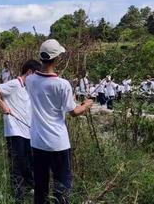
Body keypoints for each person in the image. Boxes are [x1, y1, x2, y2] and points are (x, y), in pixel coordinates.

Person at [26, 39, 93, 204]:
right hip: (58, 143)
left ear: (41, 58)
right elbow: (74, 112)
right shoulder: (63, 85)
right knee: (61, 184)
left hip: (38, 142)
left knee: (41, 185)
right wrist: (86, 104)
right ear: (57, 59)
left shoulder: (30, 80)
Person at [0, 60, 42, 201]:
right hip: (14, 132)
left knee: (29, 162)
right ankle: (17, 196)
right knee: (16, 164)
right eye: (37, 75)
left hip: (28, 132)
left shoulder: (28, 88)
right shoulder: (14, 84)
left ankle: (29, 188)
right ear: (30, 72)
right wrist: (3, 106)